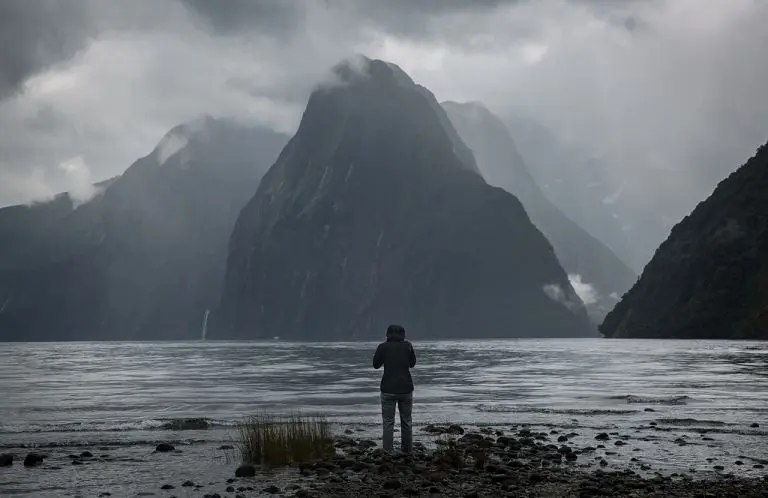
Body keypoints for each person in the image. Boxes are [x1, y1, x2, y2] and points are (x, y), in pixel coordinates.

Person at [373, 324, 416, 454]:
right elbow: (412, 364)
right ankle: (407, 450)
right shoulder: (408, 346)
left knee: (388, 421)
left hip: (388, 389)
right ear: (403, 334)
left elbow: (376, 365)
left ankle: (388, 451)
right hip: (406, 389)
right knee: (406, 421)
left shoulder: (383, 347)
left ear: (387, 334)